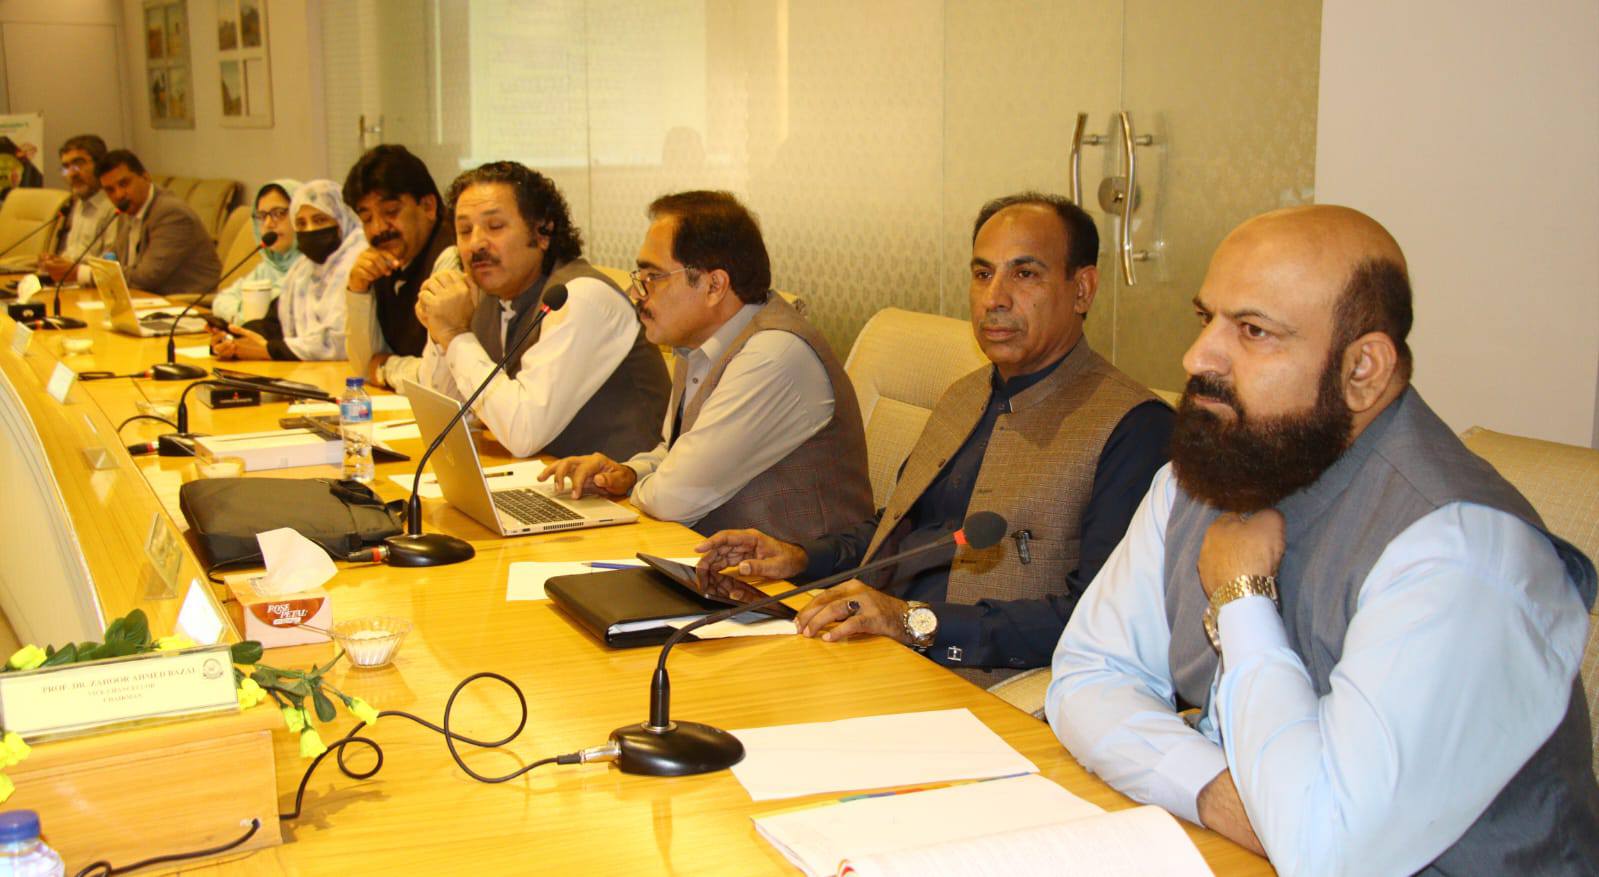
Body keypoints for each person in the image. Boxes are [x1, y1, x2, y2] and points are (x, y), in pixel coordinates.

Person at [1047, 205, 1599, 875]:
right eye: (1205, 318)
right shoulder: (1209, 472)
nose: (1196, 357)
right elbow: (1086, 674)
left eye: (1253, 331)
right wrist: (1217, 794)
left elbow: (1325, 849)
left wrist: (1242, 597)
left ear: (1363, 368)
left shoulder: (1461, 554)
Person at [694, 193, 1171, 681]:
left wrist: (912, 621)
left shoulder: (1134, 429)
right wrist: (798, 556)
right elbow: (901, 530)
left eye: (1025, 274)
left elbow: (1098, 617)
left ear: (1082, 290)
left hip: (975, 680)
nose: (994, 298)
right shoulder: (965, 395)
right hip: (866, 648)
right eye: (983, 274)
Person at [540, 190, 873, 545]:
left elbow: (673, 498)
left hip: (794, 576)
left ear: (715, 285)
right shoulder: (700, 343)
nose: (636, 292)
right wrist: (626, 473)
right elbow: (677, 453)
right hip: (708, 560)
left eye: (654, 277)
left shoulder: (772, 357)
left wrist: (641, 486)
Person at [412, 161, 667, 460]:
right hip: (543, 479)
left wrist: (455, 334)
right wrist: (440, 331)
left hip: (624, 485)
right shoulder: (487, 296)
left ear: (543, 231)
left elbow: (523, 433)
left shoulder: (579, 298)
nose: (475, 244)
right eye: (465, 230)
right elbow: (446, 420)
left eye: (495, 227)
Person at [209, 180, 362, 361]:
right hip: (305, 371)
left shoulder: (360, 265)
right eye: (301, 223)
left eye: (320, 220)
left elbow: (341, 341)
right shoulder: (302, 271)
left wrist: (270, 350)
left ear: (343, 220)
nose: (310, 230)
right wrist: (232, 338)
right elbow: (274, 325)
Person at [343, 145, 452, 391]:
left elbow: (441, 378)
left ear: (428, 206)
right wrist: (358, 290)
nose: (378, 229)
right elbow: (363, 367)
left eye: (391, 212)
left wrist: (385, 368)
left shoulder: (451, 256)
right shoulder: (384, 261)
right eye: (367, 219)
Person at [95, 149, 221, 297]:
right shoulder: (127, 210)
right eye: (110, 190)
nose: (119, 194)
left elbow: (146, 278)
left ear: (146, 177)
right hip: (145, 299)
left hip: (185, 302)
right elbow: (114, 259)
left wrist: (90, 275)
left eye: (124, 184)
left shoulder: (171, 214)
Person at [208, 179, 302, 323]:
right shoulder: (268, 267)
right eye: (262, 216)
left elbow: (270, 313)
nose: (268, 224)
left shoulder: (313, 268)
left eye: (278, 213)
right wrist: (244, 315)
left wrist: (241, 315)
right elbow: (221, 300)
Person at [39, 134, 113, 283]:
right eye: (66, 167)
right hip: (67, 283)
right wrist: (55, 262)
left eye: (79, 164)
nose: (72, 174)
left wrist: (73, 271)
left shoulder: (114, 207)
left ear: (100, 165)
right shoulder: (77, 203)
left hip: (93, 286)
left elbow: (111, 268)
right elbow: (74, 254)